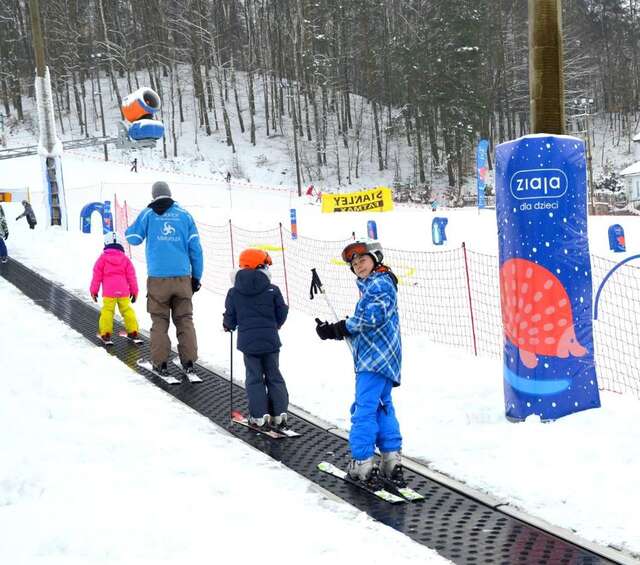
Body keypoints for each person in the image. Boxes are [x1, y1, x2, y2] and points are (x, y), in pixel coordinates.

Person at [315, 239, 404, 485]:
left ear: (375, 259)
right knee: (382, 407)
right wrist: (336, 330)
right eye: (354, 264)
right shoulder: (377, 284)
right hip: (384, 359)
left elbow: (372, 317)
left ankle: (362, 461)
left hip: (374, 361)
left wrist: (341, 327)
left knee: (364, 409)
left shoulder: (379, 284)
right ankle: (390, 460)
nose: (358, 266)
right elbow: (370, 321)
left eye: (362, 260)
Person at [125, 181, 203, 376]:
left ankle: (160, 363)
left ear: (154, 196)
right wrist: (196, 276)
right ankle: (189, 362)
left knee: (159, 320)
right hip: (182, 277)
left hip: (158, 278)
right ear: (170, 194)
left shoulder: (149, 214)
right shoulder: (185, 215)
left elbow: (132, 237)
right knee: (185, 319)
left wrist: (144, 217)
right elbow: (196, 249)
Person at [223, 248, 289, 430]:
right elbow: (282, 311)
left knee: (254, 378)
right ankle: (279, 413)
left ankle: (259, 415)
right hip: (270, 340)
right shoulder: (272, 289)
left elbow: (231, 315)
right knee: (274, 376)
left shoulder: (234, 291)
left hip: (248, 343)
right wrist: (275, 324)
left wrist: (228, 324)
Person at [90, 231, 139, 344]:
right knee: (127, 310)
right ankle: (133, 331)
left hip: (109, 292)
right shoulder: (125, 260)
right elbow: (132, 276)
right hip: (123, 292)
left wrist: (94, 291)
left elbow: (96, 275)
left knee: (107, 311)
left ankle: (106, 334)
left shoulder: (102, 259)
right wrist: (134, 291)